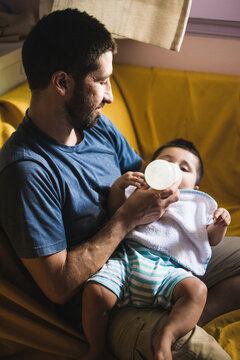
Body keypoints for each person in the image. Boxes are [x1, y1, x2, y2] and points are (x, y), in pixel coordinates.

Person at [0, 8, 237, 360]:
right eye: (102, 80)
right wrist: (125, 217)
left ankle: (178, 319)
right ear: (62, 83)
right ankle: (165, 331)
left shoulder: (95, 125)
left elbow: (144, 177)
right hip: (110, 296)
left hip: (158, 254)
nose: (110, 96)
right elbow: (60, 286)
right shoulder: (28, 171)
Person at [82, 138, 231, 360]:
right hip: (127, 262)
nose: (173, 169)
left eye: (183, 168)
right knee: (94, 292)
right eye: (165, 161)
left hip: (169, 271)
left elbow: (208, 239)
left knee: (197, 291)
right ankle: (96, 347)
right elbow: (115, 213)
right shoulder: (139, 192)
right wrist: (118, 187)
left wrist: (220, 226)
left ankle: (167, 335)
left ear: (195, 188)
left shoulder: (194, 206)